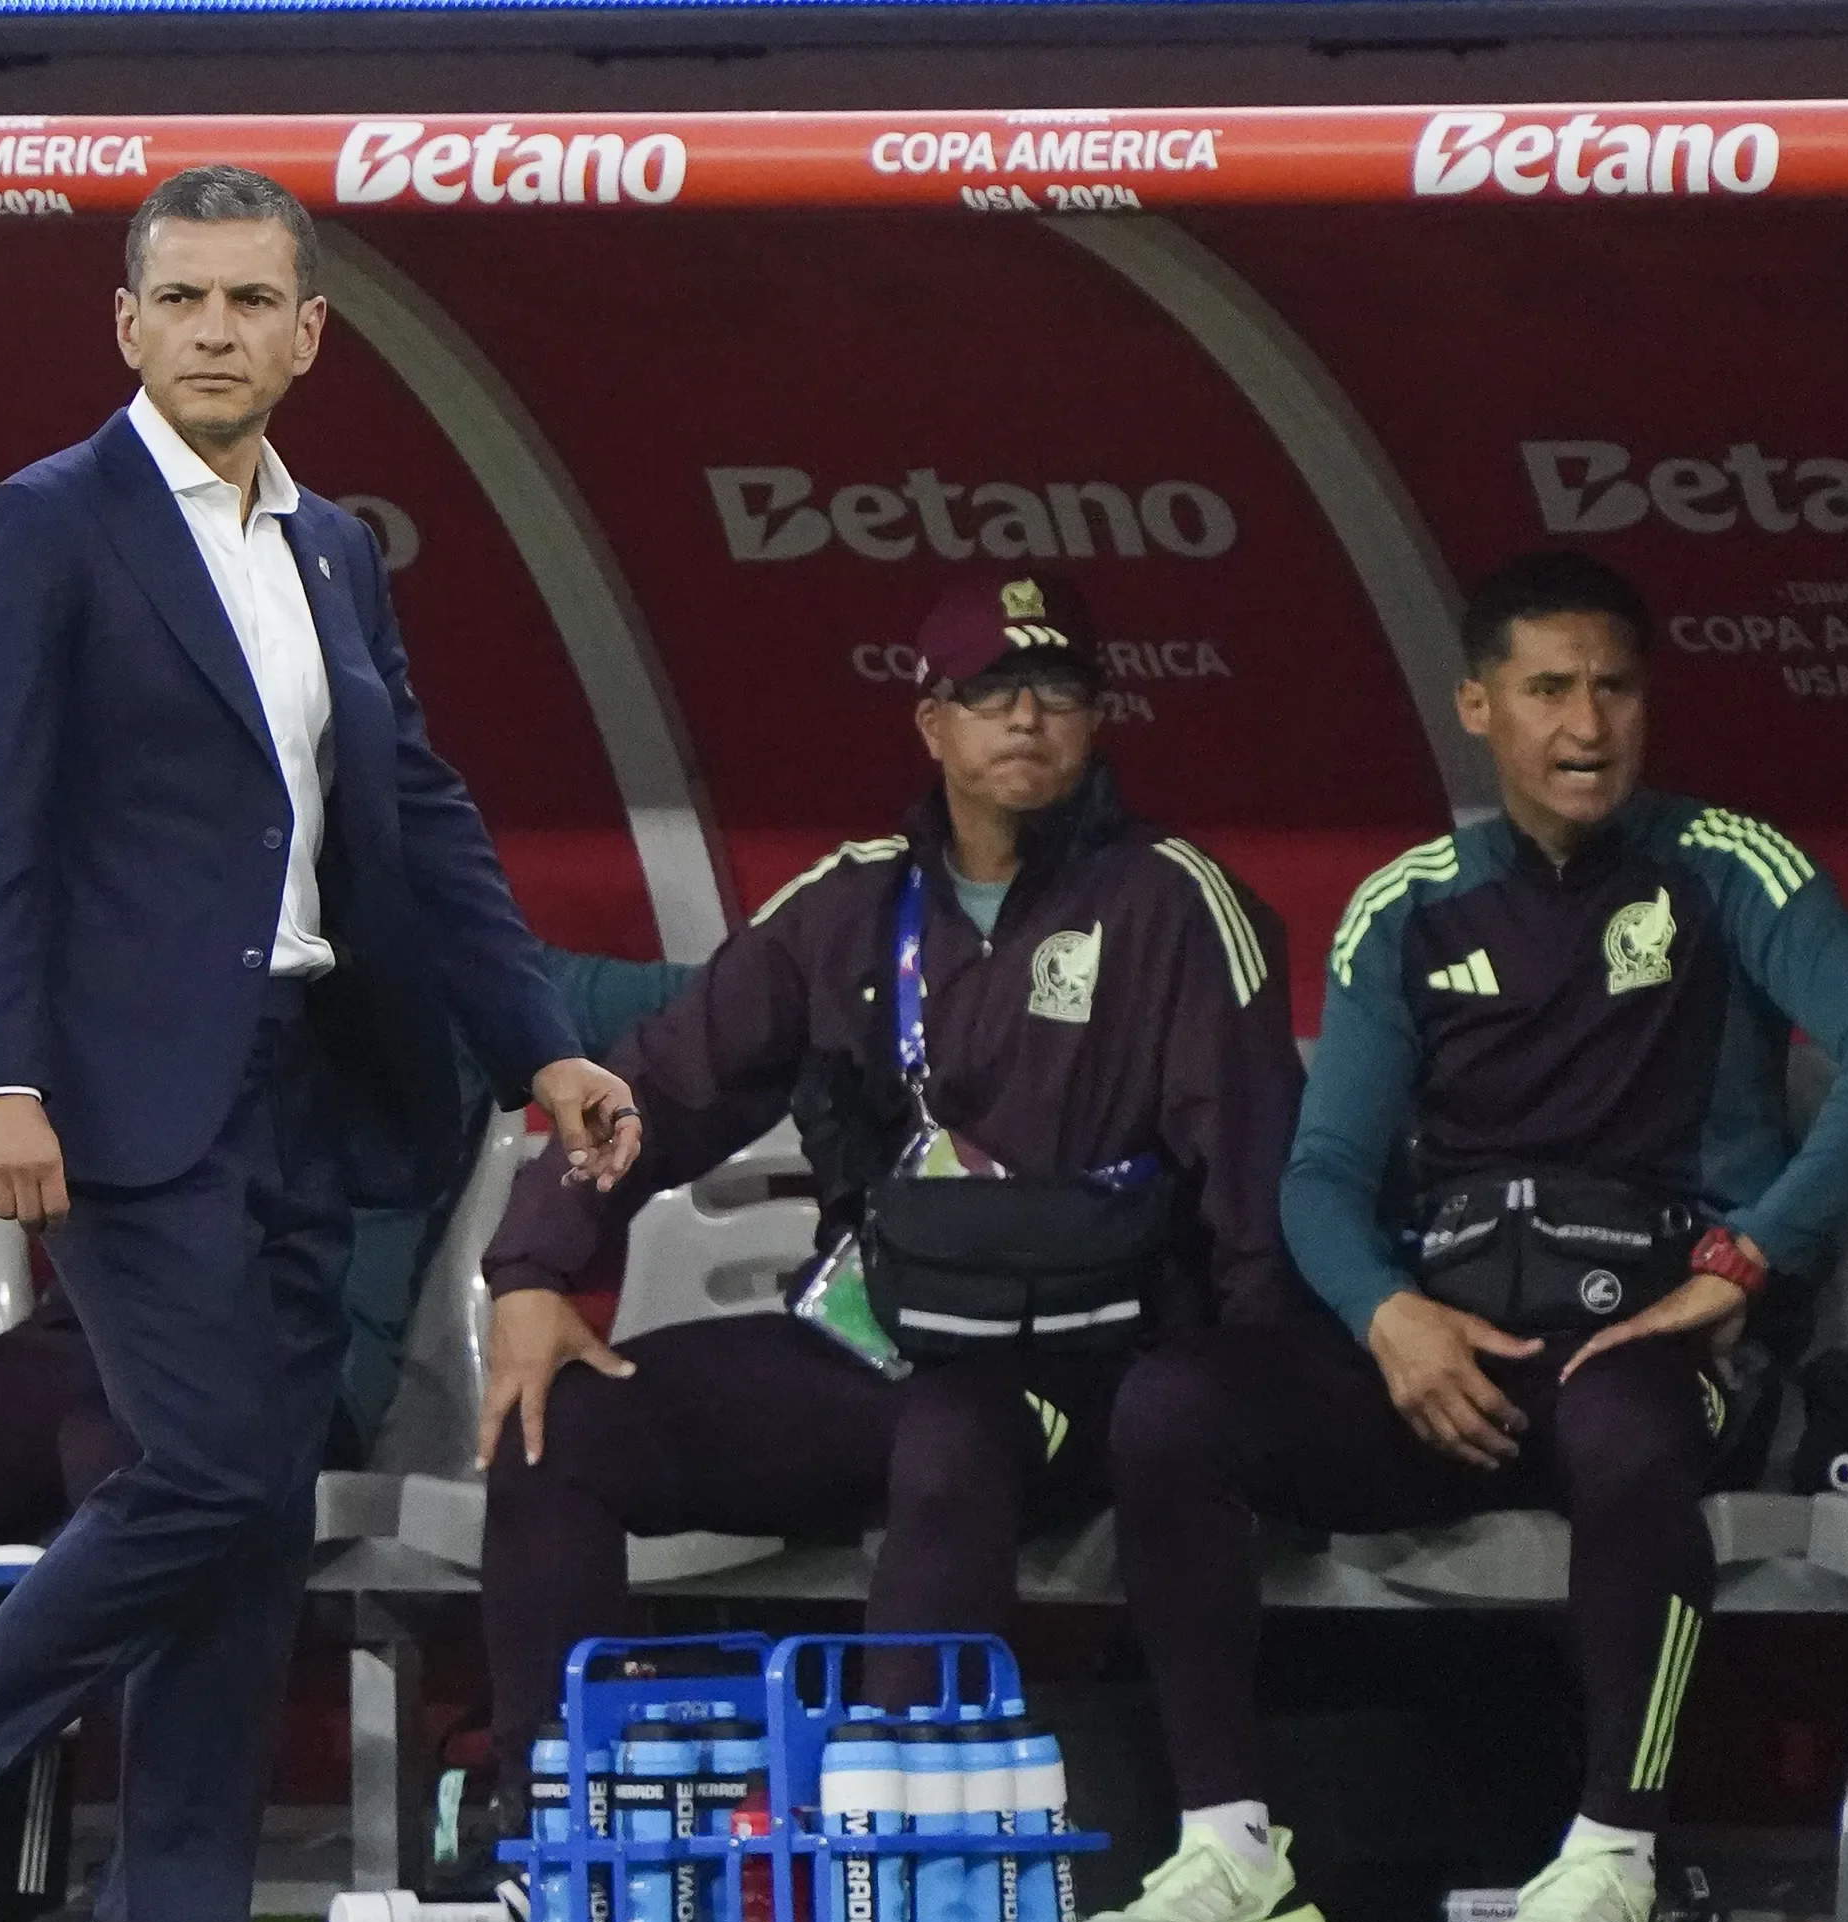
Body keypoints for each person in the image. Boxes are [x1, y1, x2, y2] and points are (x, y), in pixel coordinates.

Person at [0, 165, 642, 1922]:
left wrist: (539, 1042)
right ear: (126, 324)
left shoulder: (333, 547)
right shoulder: (41, 530)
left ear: (308, 334)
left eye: (250, 302)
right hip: (115, 1088)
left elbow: (415, 817)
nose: (213, 331)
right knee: (197, 1464)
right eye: (180, 299)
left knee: (264, 1496)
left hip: (306, 1073)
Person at [1086, 550, 1848, 1922]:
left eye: (1612, 688)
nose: (1584, 725)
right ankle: (1227, 1848)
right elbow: (1319, 1177)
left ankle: (1612, 1858)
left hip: (1643, 1351)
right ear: (1477, 706)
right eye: (1547, 689)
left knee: (1629, 1425)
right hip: (1452, 1365)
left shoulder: (1728, 865)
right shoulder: (1408, 903)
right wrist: (1389, 1320)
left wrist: (1740, 1261)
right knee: (1172, 1408)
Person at [476, 572, 1308, 1819]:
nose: (1024, 719)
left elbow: (1253, 1175)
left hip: (1086, 1375)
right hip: (870, 1342)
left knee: (952, 1435)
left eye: (1056, 692)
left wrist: (1256, 1402)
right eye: (989, 694)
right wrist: (535, 1270)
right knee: (556, 1433)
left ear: (1095, 720)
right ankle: (563, 1823)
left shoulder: (1175, 902)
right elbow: (654, 1088)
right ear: (932, 724)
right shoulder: (851, 902)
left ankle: (896, 1840)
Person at [0, 944, 690, 1605]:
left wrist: (834, 983)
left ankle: (148, 1870)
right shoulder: (159, 944)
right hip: (89, 1342)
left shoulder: (448, 965)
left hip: (294, 1366)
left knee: (125, 1462)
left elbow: (719, 995)